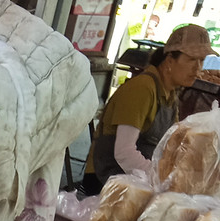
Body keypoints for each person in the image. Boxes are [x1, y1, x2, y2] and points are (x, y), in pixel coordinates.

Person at [82, 23, 212, 194]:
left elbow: (171, 147)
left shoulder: (170, 94)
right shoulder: (143, 88)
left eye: (201, 60)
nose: (198, 69)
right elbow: (124, 152)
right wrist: (160, 179)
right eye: (191, 59)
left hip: (135, 181)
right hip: (106, 181)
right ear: (170, 60)